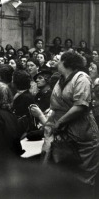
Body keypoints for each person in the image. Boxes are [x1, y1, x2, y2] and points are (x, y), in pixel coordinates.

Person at [43, 52, 99, 190]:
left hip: (83, 131)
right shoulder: (60, 79)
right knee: (68, 176)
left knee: (84, 178)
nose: (55, 62)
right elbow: (55, 105)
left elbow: (80, 106)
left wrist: (59, 122)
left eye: (59, 59)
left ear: (66, 62)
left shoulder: (82, 78)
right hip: (65, 134)